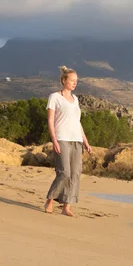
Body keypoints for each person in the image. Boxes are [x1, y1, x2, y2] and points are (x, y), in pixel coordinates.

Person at [44, 66, 92, 216]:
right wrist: (54, 140)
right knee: (64, 172)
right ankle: (50, 199)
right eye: (72, 80)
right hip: (62, 139)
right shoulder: (54, 97)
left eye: (76, 81)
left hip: (76, 139)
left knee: (75, 174)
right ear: (64, 80)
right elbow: (50, 120)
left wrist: (86, 141)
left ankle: (66, 207)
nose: (74, 83)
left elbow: (77, 122)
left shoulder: (75, 99)